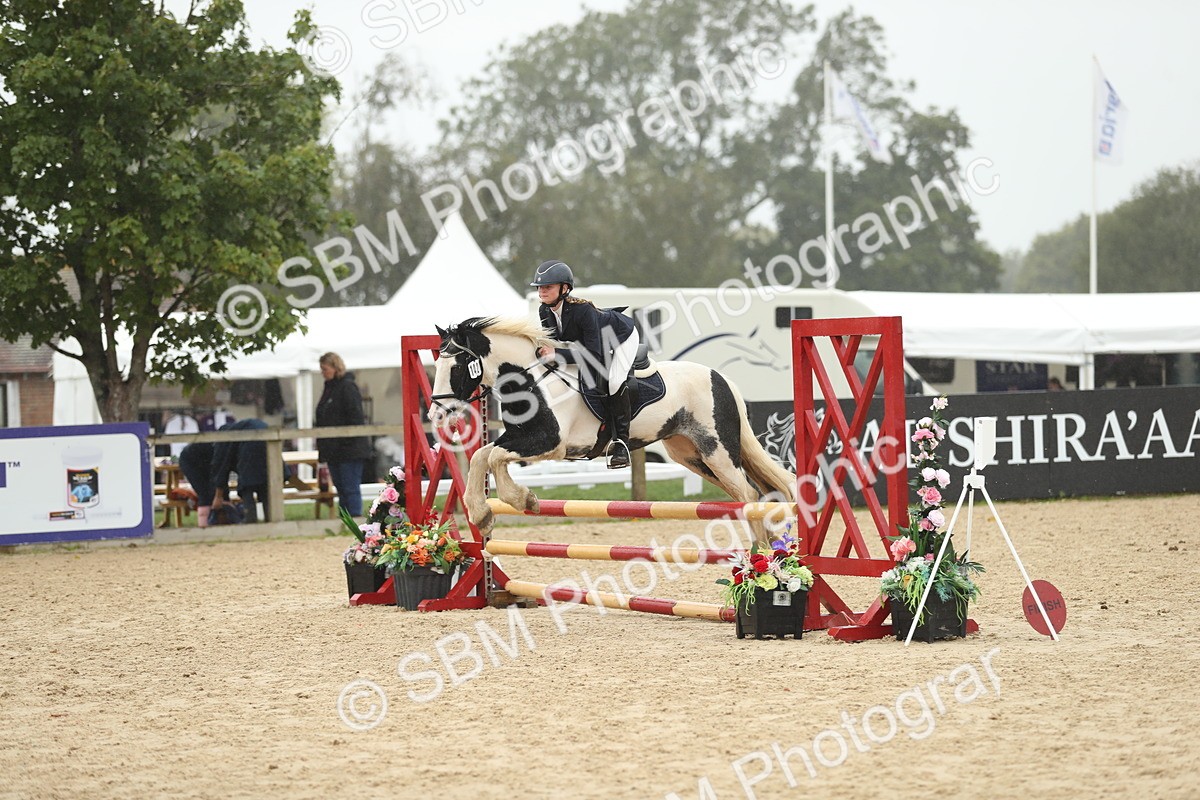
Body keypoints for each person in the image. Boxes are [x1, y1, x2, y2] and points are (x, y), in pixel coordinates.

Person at [531, 260, 640, 469]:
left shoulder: (583, 311)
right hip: (594, 343)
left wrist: (557, 353)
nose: (542, 291)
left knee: (615, 381)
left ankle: (621, 444)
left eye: (548, 287)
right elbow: (553, 342)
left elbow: (593, 355)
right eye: (540, 287)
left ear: (564, 288)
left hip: (621, 337)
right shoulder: (544, 311)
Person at [316, 352, 372, 517]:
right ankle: (344, 520)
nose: (323, 372)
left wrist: (344, 441)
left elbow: (355, 417)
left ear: (335, 368)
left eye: (325, 369)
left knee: (350, 488)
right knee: (341, 489)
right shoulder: (329, 388)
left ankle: (354, 519)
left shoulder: (347, 387)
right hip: (334, 450)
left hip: (349, 449)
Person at [211, 418, 270, 523]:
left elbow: (222, 467)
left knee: (246, 487)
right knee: (266, 486)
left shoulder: (224, 439)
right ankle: (272, 520)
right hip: (267, 443)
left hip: (252, 446)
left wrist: (218, 496)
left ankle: (250, 521)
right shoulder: (241, 428)